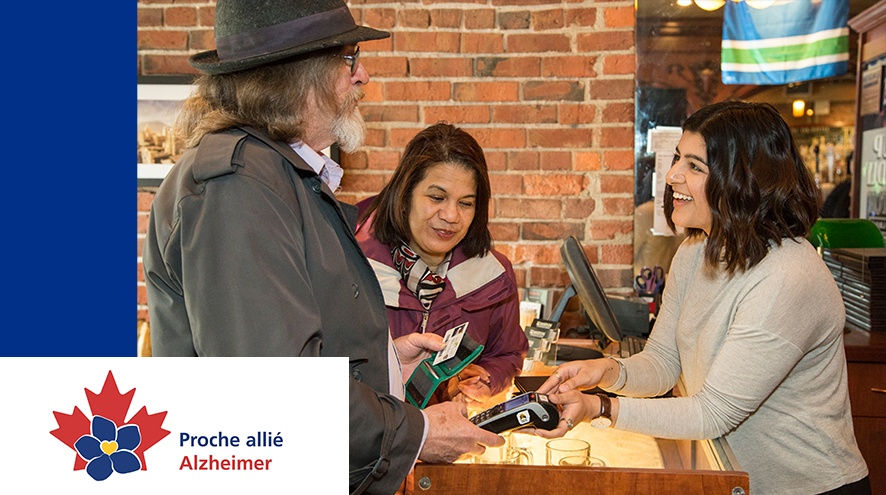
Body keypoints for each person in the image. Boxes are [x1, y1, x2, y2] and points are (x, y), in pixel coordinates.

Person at [141, 2, 503, 493]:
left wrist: (385, 362)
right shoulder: (238, 186)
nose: (364, 75)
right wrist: (415, 433)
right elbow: (274, 393)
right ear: (300, 74)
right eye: (351, 58)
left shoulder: (274, 175)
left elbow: (287, 338)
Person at [535, 101, 870, 495]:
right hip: (737, 482)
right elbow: (664, 362)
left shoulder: (787, 276)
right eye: (678, 159)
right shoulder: (695, 254)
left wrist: (601, 408)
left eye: (695, 166)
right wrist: (607, 372)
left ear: (745, 179)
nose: (673, 175)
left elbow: (713, 412)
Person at [354, 123, 529, 409]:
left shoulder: (494, 274)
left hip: (451, 442)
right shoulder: (350, 264)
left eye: (466, 203)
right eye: (436, 197)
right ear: (405, 192)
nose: (450, 215)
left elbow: (507, 354)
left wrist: (485, 378)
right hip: (370, 442)